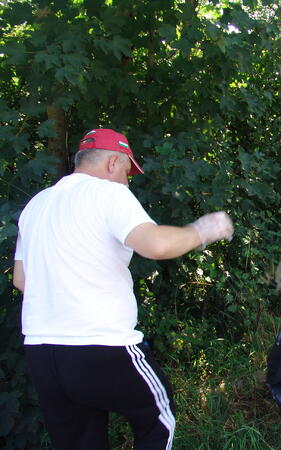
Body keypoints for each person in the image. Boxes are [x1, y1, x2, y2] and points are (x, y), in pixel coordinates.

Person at [12, 128, 234, 450]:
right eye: (128, 173)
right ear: (113, 162)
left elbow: (21, 279)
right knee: (159, 415)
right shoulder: (108, 194)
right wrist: (204, 230)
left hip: (42, 352)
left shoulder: (36, 205)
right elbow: (155, 244)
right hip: (102, 345)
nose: (127, 182)